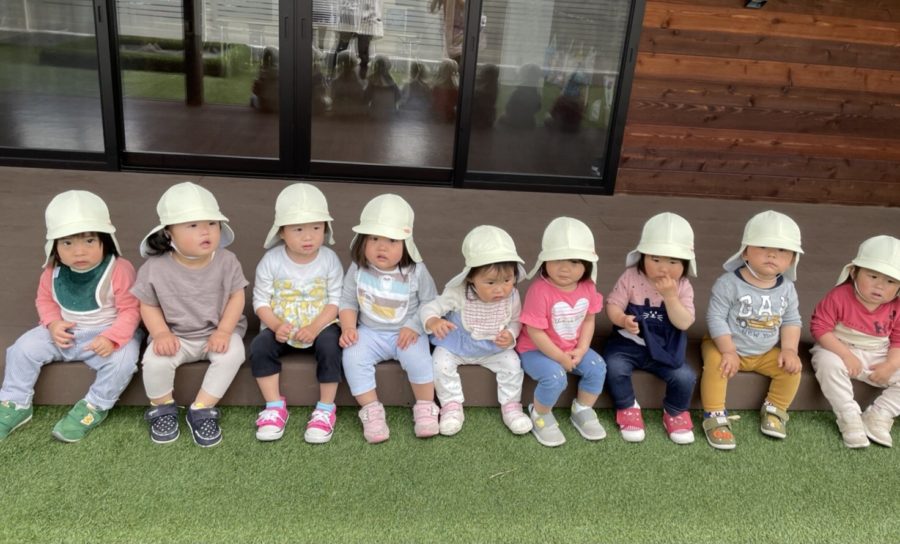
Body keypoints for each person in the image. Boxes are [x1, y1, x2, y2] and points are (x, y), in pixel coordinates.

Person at [0, 191, 141, 443]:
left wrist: (112, 338)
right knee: (22, 349)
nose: (79, 252)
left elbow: (131, 310)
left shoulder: (119, 269)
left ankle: (95, 405)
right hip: (65, 333)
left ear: (105, 241)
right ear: (54, 246)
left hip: (108, 333)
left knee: (124, 360)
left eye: (89, 241)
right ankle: (15, 402)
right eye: (67, 243)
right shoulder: (53, 271)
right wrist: (53, 323)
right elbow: (44, 300)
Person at [133, 182, 248, 447]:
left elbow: (237, 296)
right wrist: (160, 333)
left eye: (212, 223)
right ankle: (162, 407)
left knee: (233, 354)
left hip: (216, 333)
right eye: (193, 225)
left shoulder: (227, 261)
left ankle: (202, 407)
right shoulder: (154, 268)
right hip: (176, 336)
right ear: (168, 234)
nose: (205, 231)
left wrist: (224, 331)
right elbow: (148, 304)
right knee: (154, 362)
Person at [339, 194, 439, 444]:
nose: (381, 247)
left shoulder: (415, 270)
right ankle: (371, 410)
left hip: (406, 332)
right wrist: (349, 327)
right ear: (362, 240)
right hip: (369, 332)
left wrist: (414, 326)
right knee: (352, 357)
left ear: (406, 243)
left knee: (420, 360)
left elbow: (430, 302)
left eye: (392, 240)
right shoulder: (358, 268)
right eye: (374, 239)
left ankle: (425, 405)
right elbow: (348, 300)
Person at [701, 210, 803, 450]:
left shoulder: (787, 288)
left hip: (764, 352)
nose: (772, 254)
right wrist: (728, 350)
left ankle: (775, 409)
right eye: (763, 247)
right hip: (724, 345)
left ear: (792, 259)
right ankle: (714, 415)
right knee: (716, 365)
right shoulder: (729, 283)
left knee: (792, 371)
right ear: (745, 251)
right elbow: (715, 317)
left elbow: (791, 319)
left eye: (782, 250)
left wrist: (789, 349)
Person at [250, 184, 344, 443]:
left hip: (320, 324)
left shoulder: (329, 259)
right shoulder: (271, 261)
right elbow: (261, 301)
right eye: (298, 229)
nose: (308, 236)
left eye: (316, 228)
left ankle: (325, 408)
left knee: (331, 346)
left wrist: (314, 328)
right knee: (260, 347)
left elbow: (335, 300)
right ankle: (273, 406)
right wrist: (275, 325)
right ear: (281, 232)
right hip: (282, 326)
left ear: (325, 229)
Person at [420, 226, 532, 436]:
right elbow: (430, 308)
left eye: (507, 280)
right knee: (440, 363)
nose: (500, 289)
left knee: (512, 363)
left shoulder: (512, 296)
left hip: (493, 347)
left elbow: (516, 321)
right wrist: (433, 320)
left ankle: (511, 407)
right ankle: (451, 406)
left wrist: (510, 334)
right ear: (471, 277)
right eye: (490, 282)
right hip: (457, 345)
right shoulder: (459, 292)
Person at [604, 213, 697, 445]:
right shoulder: (631, 277)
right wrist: (622, 319)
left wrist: (670, 297)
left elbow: (684, 323)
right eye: (655, 259)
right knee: (614, 366)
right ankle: (627, 406)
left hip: (666, 347)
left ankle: (675, 412)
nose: (663, 268)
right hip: (628, 343)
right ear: (642, 257)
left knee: (685, 377)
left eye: (673, 262)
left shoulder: (683, 286)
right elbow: (613, 305)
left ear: (685, 264)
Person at [518, 217, 607, 447]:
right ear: (544, 260)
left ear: (587, 264)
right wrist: (559, 357)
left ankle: (582, 408)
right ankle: (540, 413)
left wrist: (582, 349)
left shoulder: (588, 287)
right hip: (535, 350)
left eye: (574, 261)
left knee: (597, 367)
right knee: (555, 376)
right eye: (557, 259)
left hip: (572, 348)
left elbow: (589, 320)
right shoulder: (540, 290)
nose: (565, 268)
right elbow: (535, 332)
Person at [810, 235, 900, 448]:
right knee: (826, 363)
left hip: (878, 353)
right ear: (853, 272)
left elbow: (898, 340)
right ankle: (848, 415)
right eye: (873, 276)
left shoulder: (896, 306)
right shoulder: (839, 296)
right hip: (839, 347)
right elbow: (820, 328)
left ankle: (879, 414)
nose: (880, 286)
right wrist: (846, 355)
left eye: (890, 281)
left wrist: (890, 365)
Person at [330, 50, 366, 117]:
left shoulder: (335, 83)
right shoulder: (358, 84)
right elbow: (362, 99)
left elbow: (332, 96)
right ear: (354, 67)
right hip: (353, 115)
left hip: (338, 115)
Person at [251, 47, 279, 113]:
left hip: (264, 106)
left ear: (263, 59)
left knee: (252, 98)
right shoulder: (280, 71)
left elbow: (255, 91)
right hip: (277, 106)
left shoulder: (262, 72)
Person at [431, 58, 459, 123]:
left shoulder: (434, 87)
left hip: (435, 118)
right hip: (449, 119)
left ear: (441, 70)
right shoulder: (456, 89)